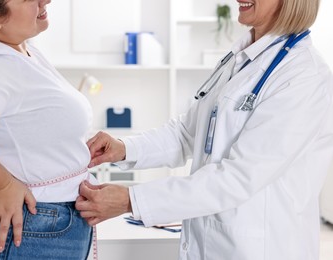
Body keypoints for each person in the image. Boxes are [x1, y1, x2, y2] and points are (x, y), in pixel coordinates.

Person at [76, 0, 333, 259]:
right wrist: (123, 148)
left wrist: (131, 200)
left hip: (262, 249)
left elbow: (238, 177)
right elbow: (187, 133)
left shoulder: (303, 75)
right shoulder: (240, 59)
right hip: (213, 244)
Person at [0, 0, 95, 259]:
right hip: (20, 230)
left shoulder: (18, 48)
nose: (46, 0)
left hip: (36, 227)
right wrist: (2, 186)